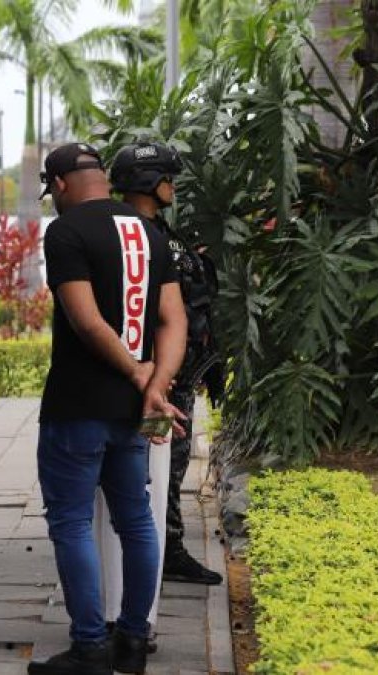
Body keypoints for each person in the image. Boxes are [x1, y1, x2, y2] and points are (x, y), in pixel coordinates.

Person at [27, 143, 189, 675]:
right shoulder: (147, 229)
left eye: (51, 191)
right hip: (140, 407)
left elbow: (87, 321)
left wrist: (138, 373)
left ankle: (90, 646)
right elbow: (173, 321)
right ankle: (134, 642)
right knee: (137, 517)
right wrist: (155, 383)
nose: (53, 200)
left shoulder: (66, 232)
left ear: (63, 184)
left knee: (72, 522)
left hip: (79, 402)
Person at [110, 141, 224, 586]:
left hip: (178, 376)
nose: (172, 186)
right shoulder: (135, 236)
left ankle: (160, 544)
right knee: (156, 463)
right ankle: (160, 549)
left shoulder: (163, 233)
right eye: (167, 178)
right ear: (147, 182)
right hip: (157, 381)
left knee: (167, 465)